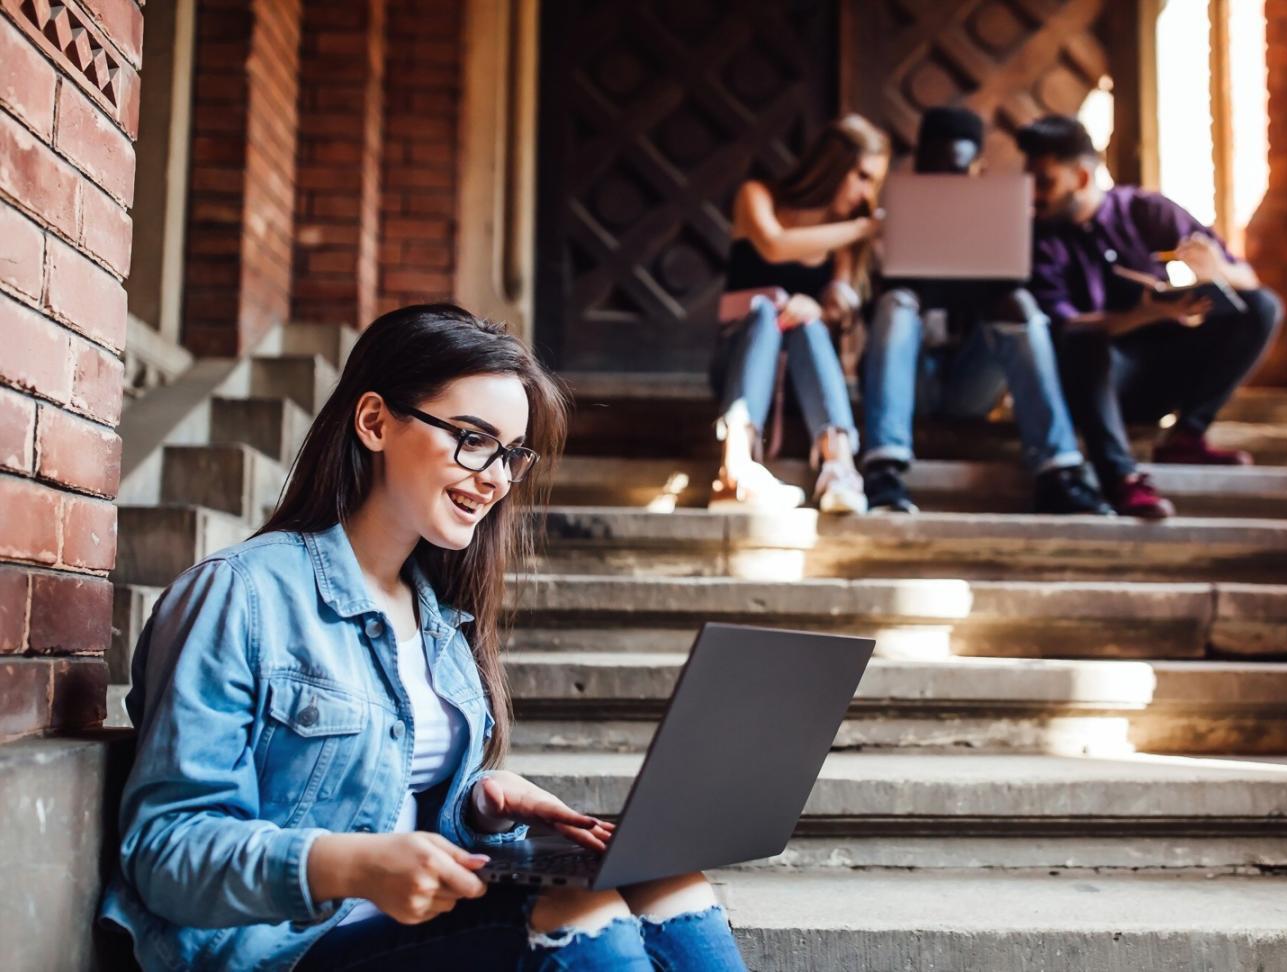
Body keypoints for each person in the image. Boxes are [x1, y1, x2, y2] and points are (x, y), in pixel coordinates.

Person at [98, 305, 748, 971]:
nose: (496, 477)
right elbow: (165, 850)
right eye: (472, 439)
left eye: (512, 455)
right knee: (579, 910)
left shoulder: (439, 617)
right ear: (375, 422)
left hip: (407, 931)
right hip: (277, 948)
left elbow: (386, 799)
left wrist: (478, 806)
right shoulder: (241, 594)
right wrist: (346, 864)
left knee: (670, 881)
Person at [1018, 115, 1284, 519]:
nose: (1033, 196)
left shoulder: (1147, 211)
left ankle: (1187, 436)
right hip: (1094, 383)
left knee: (1262, 307)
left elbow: (1247, 278)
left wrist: (1217, 273)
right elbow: (1063, 326)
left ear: (1083, 178)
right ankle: (1121, 478)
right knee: (1085, 340)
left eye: (1044, 182)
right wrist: (1141, 314)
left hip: (1166, 368)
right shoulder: (1039, 239)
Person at [859, 106, 1111, 515]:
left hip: (969, 383)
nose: (948, 184)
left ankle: (1058, 471)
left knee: (1020, 304)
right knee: (897, 302)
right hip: (911, 379)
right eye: (937, 173)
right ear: (920, 169)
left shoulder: (1006, 222)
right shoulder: (883, 223)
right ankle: (883, 470)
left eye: (957, 173)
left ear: (977, 169)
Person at [709, 113, 889, 515]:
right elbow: (774, 245)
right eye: (862, 176)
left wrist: (820, 307)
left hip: (801, 379)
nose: (866, 193)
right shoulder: (757, 196)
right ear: (832, 166)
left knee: (806, 322)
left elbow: (834, 308)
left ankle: (839, 466)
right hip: (739, 364)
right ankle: (734, 468)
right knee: (765, 313)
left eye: (874, 182)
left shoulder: (841, 236)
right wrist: (863, 230)